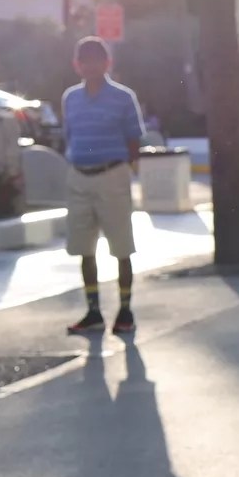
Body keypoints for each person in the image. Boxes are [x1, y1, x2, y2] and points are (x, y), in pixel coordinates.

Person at [59, 36, 146, 336]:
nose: (90, 67)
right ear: (77, 65)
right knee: (84, 247)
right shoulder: (70, 98)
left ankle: (125, 309)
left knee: (122, 246)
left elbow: (135, 138)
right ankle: (93, 311)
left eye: (97, 61)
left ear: (107, 64)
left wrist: (123, 168)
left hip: (112, 174)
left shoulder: (123, 97)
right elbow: (68, 135)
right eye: (85, 61)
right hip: (79, 176)